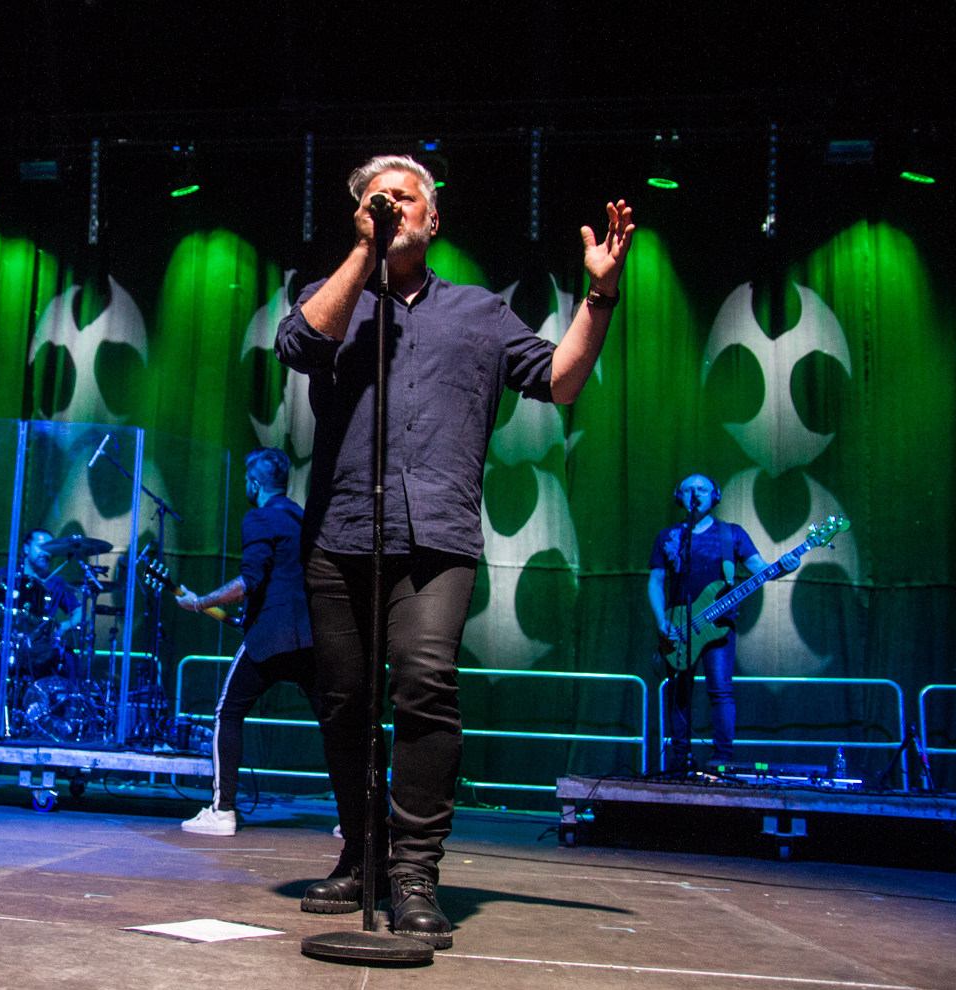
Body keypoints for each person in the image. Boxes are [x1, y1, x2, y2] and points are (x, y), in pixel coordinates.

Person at [276, 155, 633, 947]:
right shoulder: (333, 296)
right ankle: (361, 850)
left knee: (426, 684)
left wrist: (599, 292)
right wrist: (364, 252)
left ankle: (413, 870)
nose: (395, 206)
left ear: (433, 220)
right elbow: (299, 346)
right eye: (380, 199)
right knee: (343, 699)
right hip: (338, 532)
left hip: (435, 534)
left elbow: (563, 381)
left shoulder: (478, 313)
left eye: (410, 198)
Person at [173, 448, 319, 837]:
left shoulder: (259, 517)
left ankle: (222, 812)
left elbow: (249, 581)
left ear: (254, 483)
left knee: (227, 712)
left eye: (245, 480)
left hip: (272, 637)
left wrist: (199, 601)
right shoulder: (302, 519)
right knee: (337, 725)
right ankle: (357, 820)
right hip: (311, 637)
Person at [648, 473, 767, 773]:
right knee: (679, 690)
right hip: (678, 623)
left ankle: (723, 758)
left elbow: (760, 569)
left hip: (720, 625)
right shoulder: (668, 536)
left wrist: (785, 565)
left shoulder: (732, 534)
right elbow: (656, 581)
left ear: (715, 496)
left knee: (721, 689)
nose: (695, 493)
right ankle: (680, 758)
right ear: (679, 496)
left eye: (702, 488)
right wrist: (661, 620)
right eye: (688, 489)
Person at [0, 528, 85, 678]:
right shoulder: (7, 575)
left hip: (41, 651)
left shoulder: (56, 583)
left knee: (69, 658)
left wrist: (63, 627)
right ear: (26, 548)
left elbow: (81, 612)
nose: (45, 552)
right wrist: (7, 600)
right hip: (4, 644)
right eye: (41, 546)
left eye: (49, 548)